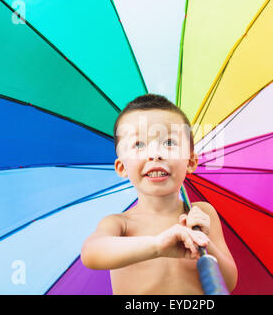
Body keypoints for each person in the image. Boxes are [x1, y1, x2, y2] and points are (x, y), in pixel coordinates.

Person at [81, 94, 237, 294]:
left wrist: (205, 243)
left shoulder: (201, 213)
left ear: (190, 162)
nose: (155, 154)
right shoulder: (120, 223)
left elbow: (229, 281)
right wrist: (156, 246)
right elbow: (91, 252)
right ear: (122, 167)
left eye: (169, 143)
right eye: (139, 145)